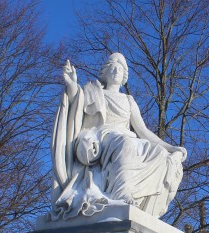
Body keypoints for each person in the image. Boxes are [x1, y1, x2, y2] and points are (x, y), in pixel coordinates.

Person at [51, 52, 187, 219]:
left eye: (121, 70)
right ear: (105, 72)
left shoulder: (128, 100)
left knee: (159, 154)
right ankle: (121, 192)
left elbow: (143, 131)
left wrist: (170, 148)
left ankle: (144, 206)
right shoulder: (92, 90)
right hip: (101, 137)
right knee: (126, 144)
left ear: (124, 76)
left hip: (126, 137)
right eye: (113, 68)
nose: (116, 71)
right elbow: (76, 104)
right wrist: (72, 84)